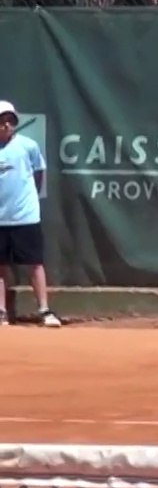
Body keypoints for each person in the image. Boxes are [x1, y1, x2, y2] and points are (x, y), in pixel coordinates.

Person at [0, 100, 61, 328]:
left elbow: (38, 174)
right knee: (0, 267)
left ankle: (44, 311)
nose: (6, 125)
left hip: (26, 217)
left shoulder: (28, 146)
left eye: (10, 121)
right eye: (1, 121)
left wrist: (28, 201)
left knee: (35, 263)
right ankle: (1, 313)